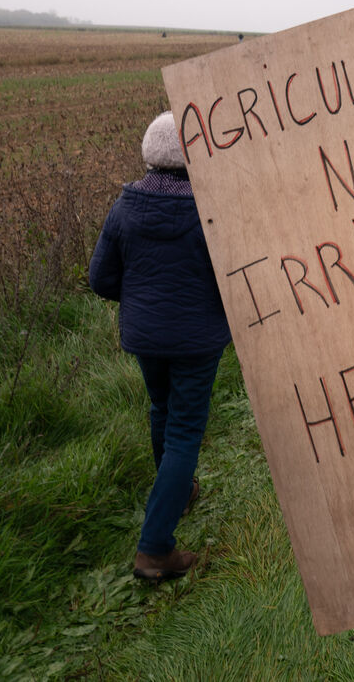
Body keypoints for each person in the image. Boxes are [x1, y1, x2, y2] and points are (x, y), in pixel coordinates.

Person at [89, 111, 231, 582]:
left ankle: (177, 493)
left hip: (146, 339)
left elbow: (100, 278)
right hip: (197, 341)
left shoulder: (125, 207)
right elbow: (231, 280)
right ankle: (154, 549)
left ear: (149, 153)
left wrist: (141, 302)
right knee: (184, 432)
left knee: (162, 409)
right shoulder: (209, 210)